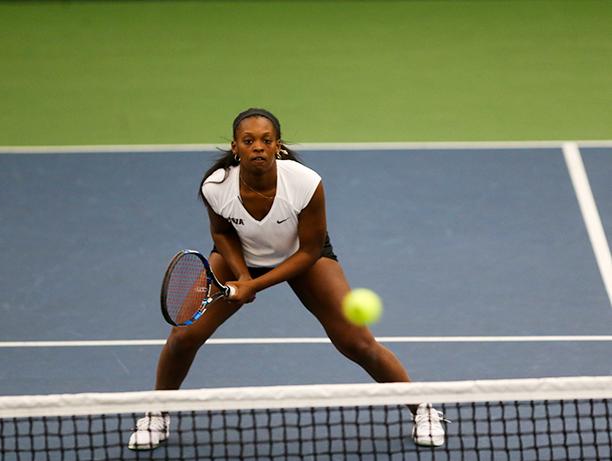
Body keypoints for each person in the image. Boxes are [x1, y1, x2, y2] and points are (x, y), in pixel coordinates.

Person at [128, 108, 446, 450]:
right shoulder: (216, 186)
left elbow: (309, 251)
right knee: (183, 337)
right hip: (243, 256)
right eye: (249, 141)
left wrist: (253, 286)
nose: (258, 147)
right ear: (236, 147)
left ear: (278, 145)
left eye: (266, 140)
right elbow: (221, 233)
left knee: (358, 344)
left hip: (303, 257)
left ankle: (423, 409)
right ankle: (157, 412)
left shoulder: (305, 183)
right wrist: (242, 273)